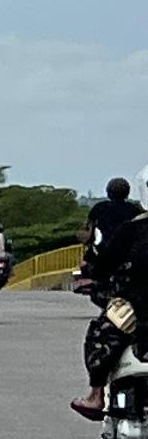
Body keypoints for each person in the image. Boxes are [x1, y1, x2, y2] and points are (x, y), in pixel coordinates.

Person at [76, 178, 145, 418]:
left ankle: (96, 396)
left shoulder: (132, 225)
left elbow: (98, 251)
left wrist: (93, 268)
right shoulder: (133, 213)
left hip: (135, 302)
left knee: (101, 334)